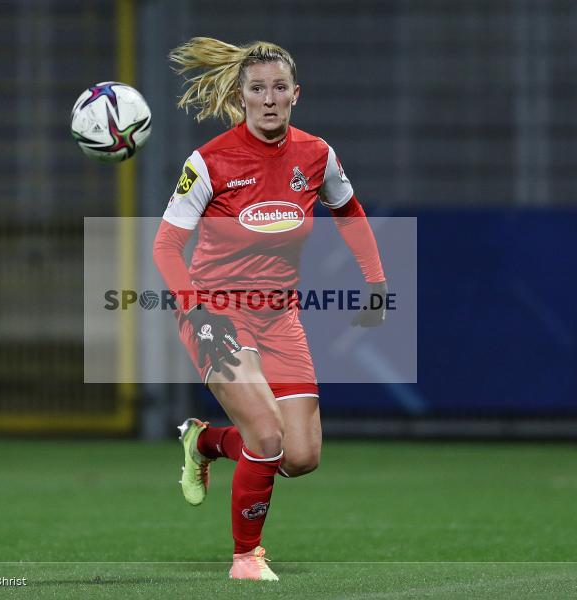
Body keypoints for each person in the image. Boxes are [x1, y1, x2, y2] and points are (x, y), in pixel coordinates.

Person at [152, 37, 388, 581]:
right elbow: (165, 247)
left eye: (279, 87)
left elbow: (349, 211)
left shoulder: (316, 154)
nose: (269, 98)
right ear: (242, 97)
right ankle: (246, 558)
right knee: (266, 434)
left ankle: (204, 439)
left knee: (300, 456)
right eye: (257, 89)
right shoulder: (208, 161)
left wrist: (376, 281)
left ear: (295, 94)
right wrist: (197, 314)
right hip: (217, 312)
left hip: (279, 316)